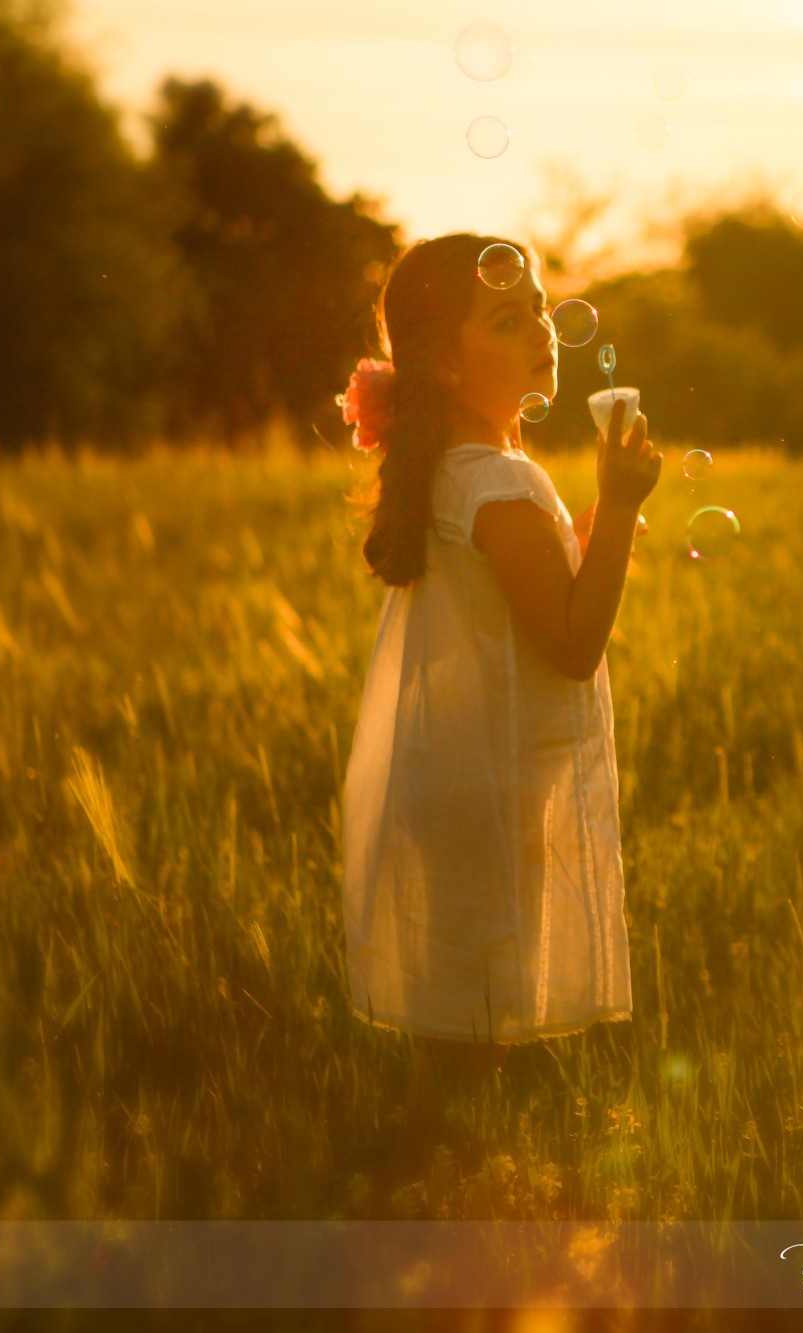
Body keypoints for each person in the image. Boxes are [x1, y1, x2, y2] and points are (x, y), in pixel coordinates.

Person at [336, 233, 662, 1142]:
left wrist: (596, 512)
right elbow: (569, 642)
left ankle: (430, 1182)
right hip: (488, 798)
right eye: (507, 318)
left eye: (542, 311)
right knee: (471, 1039)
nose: (541, 331)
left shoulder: (463, 469)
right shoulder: (499, 480)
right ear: (442, 361)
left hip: (462, 786)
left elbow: (538, 575)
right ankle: (427, 1190)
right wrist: (625, 511)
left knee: (463, 1030)